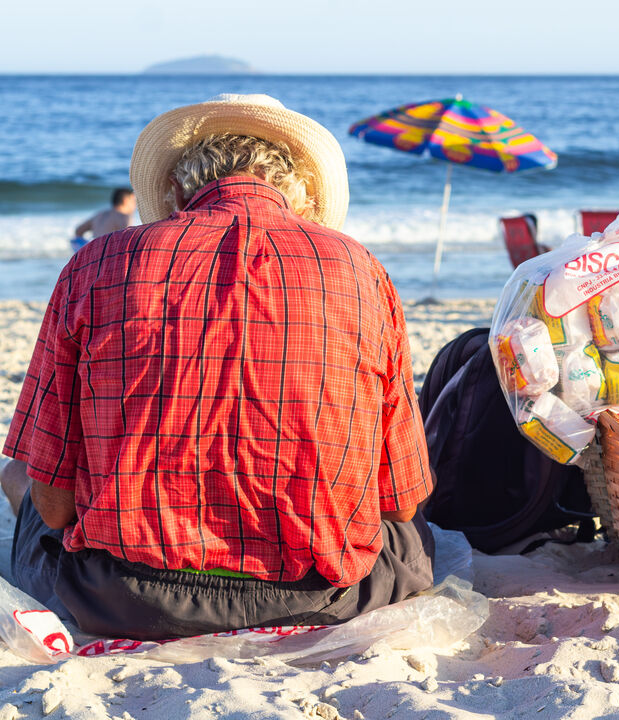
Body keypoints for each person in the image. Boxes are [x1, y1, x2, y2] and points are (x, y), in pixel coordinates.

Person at [1, 94, 435, 640]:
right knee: (412, 528)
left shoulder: (97, 263)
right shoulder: (360, 269)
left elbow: (56, 506)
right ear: (298, 191)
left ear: (179, 192)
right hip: (324, 597)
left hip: (124, 598)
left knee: (18, 472)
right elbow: (401, 502)